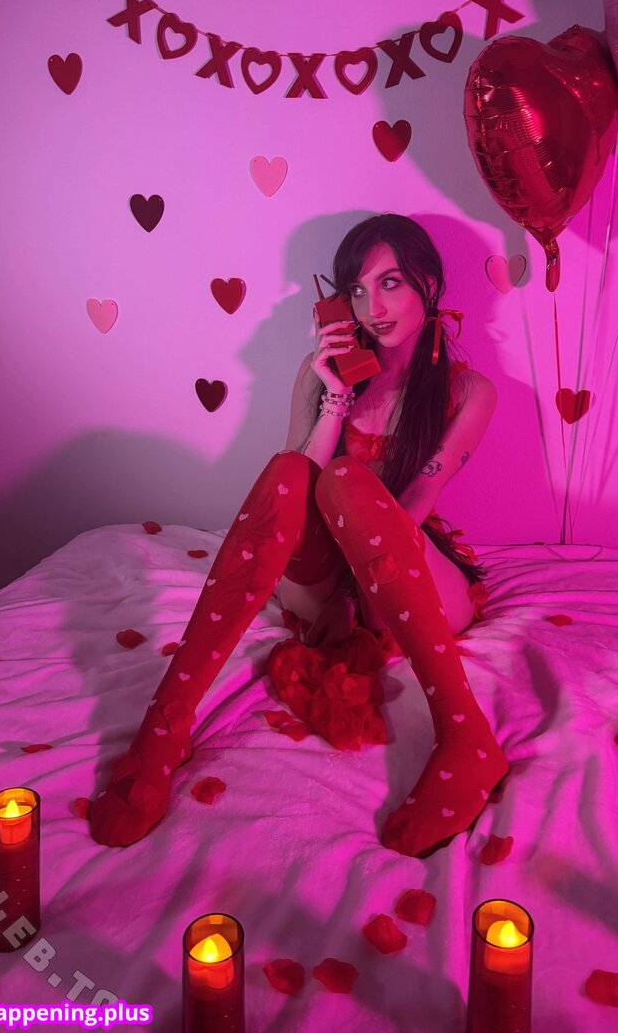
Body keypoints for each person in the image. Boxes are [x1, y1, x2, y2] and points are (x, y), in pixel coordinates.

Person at [89, 213, 508, 858]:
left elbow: (417, 501)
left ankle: (465, 736)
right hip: (329, 577)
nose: (372, 308)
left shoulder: (469, 391)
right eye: (357, 290)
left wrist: (355, 587)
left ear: (428, 284)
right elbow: (294, 494)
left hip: (406, 575)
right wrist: (332, 396)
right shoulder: (318, 375)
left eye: (391, 283)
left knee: (345, 480)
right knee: (295, 471)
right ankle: (166, 723)